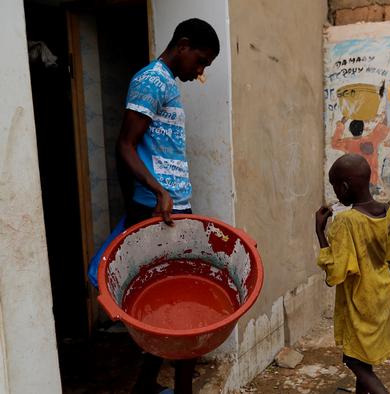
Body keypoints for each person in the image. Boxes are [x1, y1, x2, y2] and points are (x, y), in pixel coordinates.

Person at [116, 18, 219, 394]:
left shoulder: (166, 84)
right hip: (157, 211)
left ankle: (149, 386)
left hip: (173, 208)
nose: (200, 71)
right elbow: (125, 145)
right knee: (175, 305)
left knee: (177, 302)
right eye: (201, 61)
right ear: (184, 45)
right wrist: (156, 191)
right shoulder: (151, 80)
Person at [315, 154, 390, 393]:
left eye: (335, 187)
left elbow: (336, 273)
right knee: (364, 355)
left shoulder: (345, 221)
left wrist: (319, 232)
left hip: (360, 298)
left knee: (353, 360)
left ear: (345, 186)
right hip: (382, 293)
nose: (336, 193)